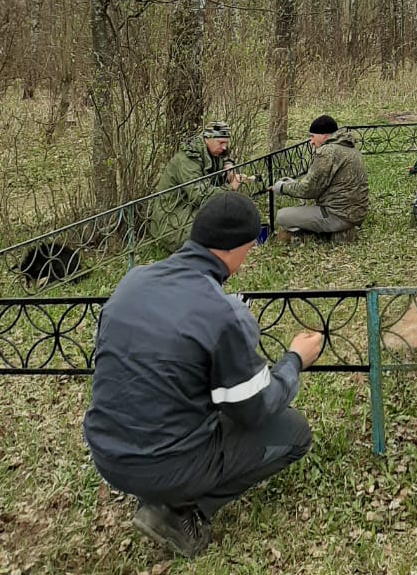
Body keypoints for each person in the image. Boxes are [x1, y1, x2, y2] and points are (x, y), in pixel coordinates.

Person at [83, 192, 325, 559]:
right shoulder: (221, 313)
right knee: (293, 432)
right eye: (253, 244)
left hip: (106, 453)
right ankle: (180, 512)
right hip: (162, 463)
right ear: (236, 248)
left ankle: (164, 491)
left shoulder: (133, 280)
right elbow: (256, 408)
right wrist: (294, 359)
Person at [149, 121, 251, 254]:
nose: (224, 147)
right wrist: (230, 188)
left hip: (189, 208)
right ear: (207, 139)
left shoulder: (212, 152)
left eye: (226, 143)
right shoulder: (187, 160)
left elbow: (224, 156)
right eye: (221, 143)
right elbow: (200, 196)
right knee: (218, 226)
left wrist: (228, 164)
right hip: (172, 218)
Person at [269, 116, 368, 244]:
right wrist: (293, 184)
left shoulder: (327, 152)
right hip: (355, 212)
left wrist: (281, 187)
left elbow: (308, 190)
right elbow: (320, 184)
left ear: (323, 136)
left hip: (337, 215)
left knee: (282, 216)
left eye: (312, 136)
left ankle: (313, 236)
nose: (311, 141)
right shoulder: (350, 149)